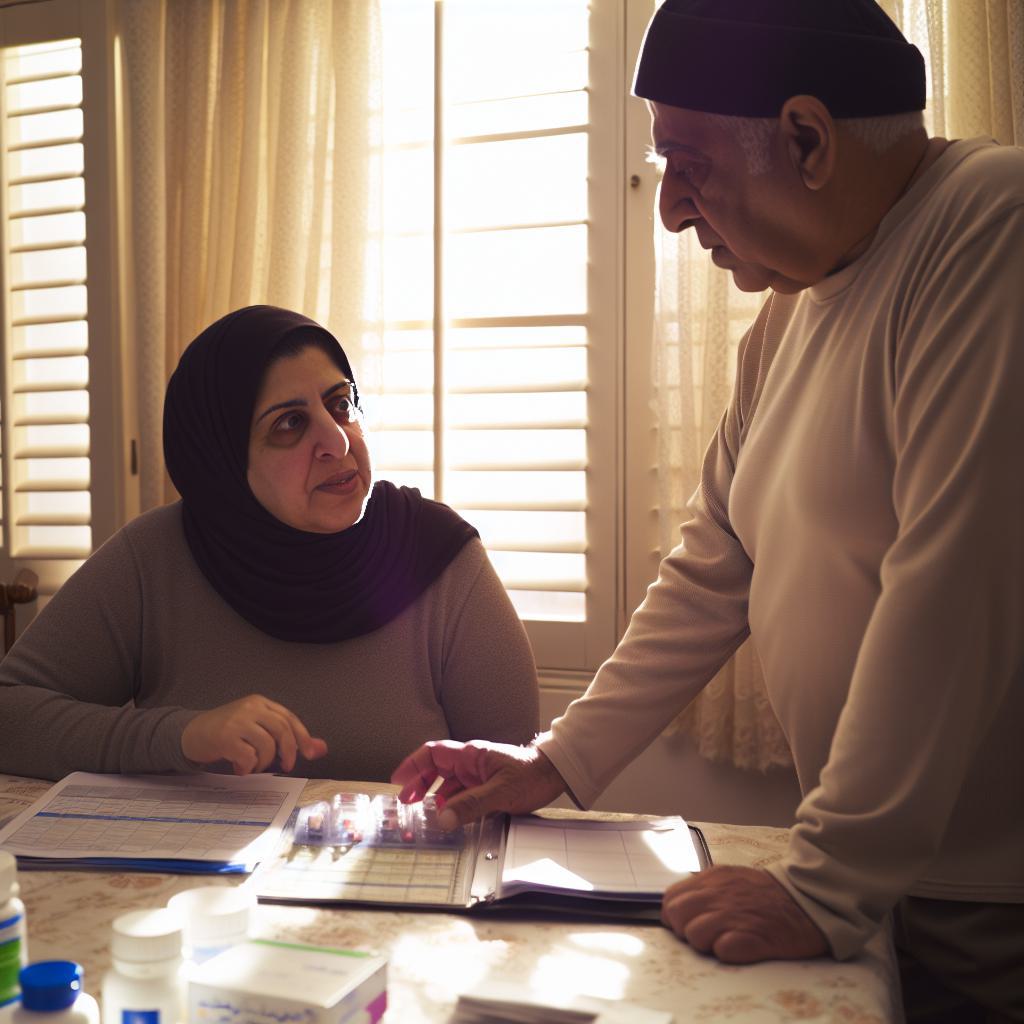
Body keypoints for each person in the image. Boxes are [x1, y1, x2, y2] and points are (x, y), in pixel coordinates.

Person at [392, 1, 1024, 1019]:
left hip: (994, 901)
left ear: (807, 139)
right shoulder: (788, 313)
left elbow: (953, 584)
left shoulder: (991, 224)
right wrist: (555, 760)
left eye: (687, 164)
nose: (670, 211)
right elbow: (711, 569)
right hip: (893, 885)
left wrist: (824, 883)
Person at [0, 305, 539, 782]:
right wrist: (181, 736)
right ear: (223, 462)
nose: (336, 440)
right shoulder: (156, 558)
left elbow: (517, 776)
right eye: (289, 423)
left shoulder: (439, 557)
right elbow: (10, 715)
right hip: (202, 870)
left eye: (340, 404)